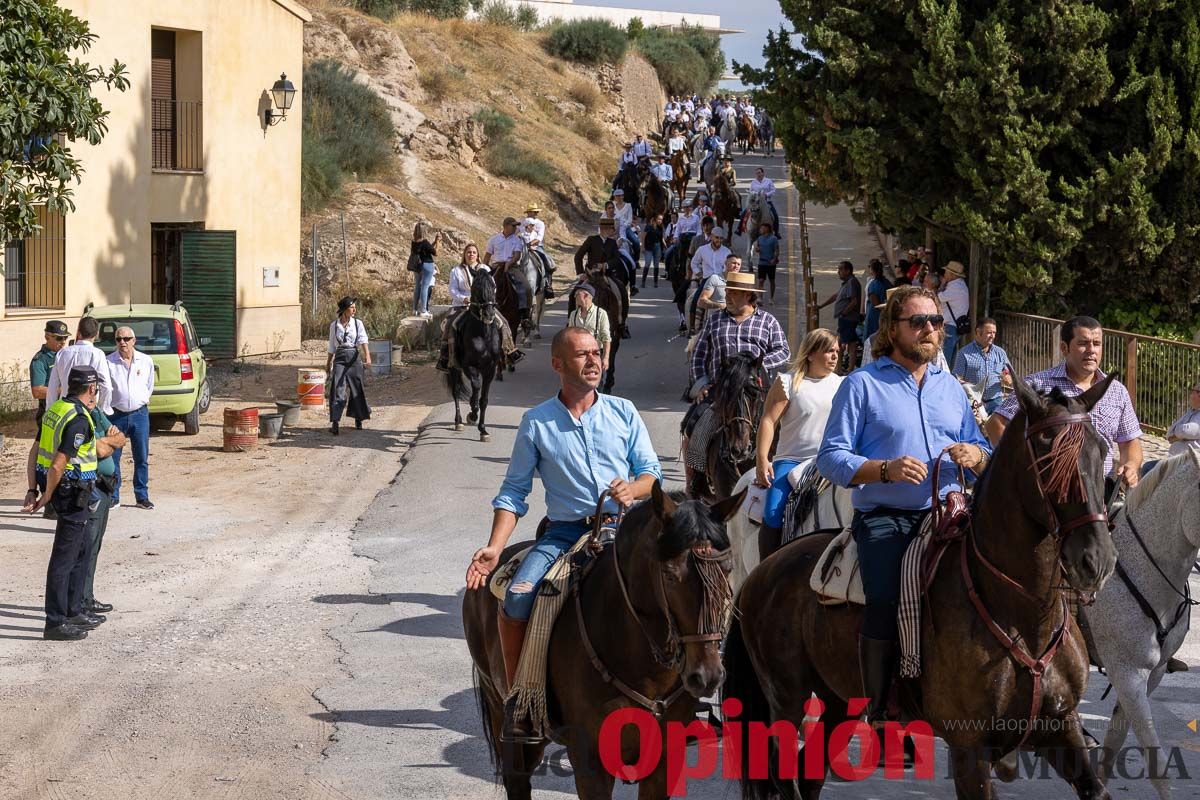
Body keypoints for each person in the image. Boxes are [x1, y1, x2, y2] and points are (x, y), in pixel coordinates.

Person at [464, 326, 662, 741]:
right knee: (518, 596)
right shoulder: (536, 423)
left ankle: (688, 696)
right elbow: (514, 493)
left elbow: (651, 474)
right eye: (582, 355)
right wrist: (495, 547)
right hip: (565, 534)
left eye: (596, 353)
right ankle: (521, 699)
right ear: (558, 364)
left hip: (626, 528)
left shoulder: (623, 411)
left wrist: (634, 488)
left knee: (686, 578)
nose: (594, 361)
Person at [817, 285, 992, 724]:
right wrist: (883, 469)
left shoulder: (950, 388)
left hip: (951, 512)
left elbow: (976, 444)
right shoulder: (862, 384)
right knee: (886, 598)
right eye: (919, 322)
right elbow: (831, 457)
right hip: (887, 518)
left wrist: (977, 456)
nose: (930, 330)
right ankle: (879, 707)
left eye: (936, 322)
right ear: (892, 329)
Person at [987, 315, 1143, 494]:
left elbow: (1130, 441)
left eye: (1097, 343)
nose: (1091, 350)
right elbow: (996, 424)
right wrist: (1022, 465)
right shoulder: (1037, 385)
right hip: (1049, 497)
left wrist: (1130, 465)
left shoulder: (1116, 391)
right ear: (1064, 347)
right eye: (1083, 343)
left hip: (1099, 496)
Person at [28, 366, 126, 641]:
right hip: (71, 493)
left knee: (77, 553)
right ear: (92, 388)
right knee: (65, 558)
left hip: (70, 492)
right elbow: (59, 463)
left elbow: (35, 451)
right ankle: (56, 622)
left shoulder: (56, 409)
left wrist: (32, 488)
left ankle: (73, 612)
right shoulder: (79, 419)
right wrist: (46, 494)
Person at [754, 328, 843, 559]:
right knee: (773, 511)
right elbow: (768, 420)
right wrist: (762, 459)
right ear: (811, 354)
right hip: (792, 461)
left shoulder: (842, 384)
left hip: (829, 459)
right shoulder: (789, 382)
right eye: (828, 351)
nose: (834, 356)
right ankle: (767, 569)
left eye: (836, 351)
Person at [689, 270, 790, 401]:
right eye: (727, 292)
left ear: (747, 295)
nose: (727, 297)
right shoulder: (714, 320)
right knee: (693, 420)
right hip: (719, 392)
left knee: (779, 419)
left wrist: (756, 364)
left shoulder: (767, 321)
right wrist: (702, 385)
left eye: (733, 293)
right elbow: (698, 356)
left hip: (755, 392)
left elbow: (783, 351)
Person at [437, 244, 525, 372]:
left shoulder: (484, 268)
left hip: (482, 305)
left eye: (473, 252)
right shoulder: (456, 271)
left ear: (477, 255)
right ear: (464, 255)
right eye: (468, 252)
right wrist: (464, 298)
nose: (471, 254)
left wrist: (486, 299)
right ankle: (445, 357)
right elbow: (452, 290)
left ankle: (510, 351)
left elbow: (492, 287)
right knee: (449, 325)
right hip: (462, 305)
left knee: (503, 322)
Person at [82, 403, 125, 617]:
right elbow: (99, 450)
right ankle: (80, 601)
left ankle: (87, 597)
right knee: (87, 547)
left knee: (95, 545)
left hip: (105, 487)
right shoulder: (80, 416)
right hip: (92, 488)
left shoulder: (96, 412)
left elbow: (121, 438)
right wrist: (109, 443)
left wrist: (107, 441)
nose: (95, 396)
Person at [22, 320, 70, 513]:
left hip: (66, 411)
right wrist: (63, 389)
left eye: (65, 339)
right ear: (47, 336)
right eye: (58, 338)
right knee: (40, 449)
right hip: (49, 413)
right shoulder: (40, 360)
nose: (62, 342)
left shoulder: (65, 355)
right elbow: (37, 390)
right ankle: (34, 490)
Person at [106, 326, 156, 509]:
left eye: (126, 339)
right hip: (116, 415)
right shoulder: (108, 362)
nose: (122, 342)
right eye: (118, 339)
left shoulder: (146, 361)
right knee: (113, 458)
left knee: (141, 457)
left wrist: (139, 400)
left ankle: (141, 496)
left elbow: (149, 385)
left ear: (134, 340)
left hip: (139, 414)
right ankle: (114, 495)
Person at [325, 296, 371, 435]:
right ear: (344, 310)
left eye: (354, 307)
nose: (354, 310)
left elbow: (363, 340)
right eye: (352, 307)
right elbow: (332, 345)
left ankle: (358, 418)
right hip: (340, 357)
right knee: (337, 388)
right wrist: (328, 363)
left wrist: (367, 356)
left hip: (354, 357)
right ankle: (335, 422)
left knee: (357, 388)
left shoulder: (358, 323)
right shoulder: (334, 325)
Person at [47, 316, 112, 414]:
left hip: (65, 408)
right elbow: (106, 386)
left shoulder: (62, 353)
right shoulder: (97, 354)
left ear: (78, 332)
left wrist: (50, 410)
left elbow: (53, 386)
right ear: (97, 334)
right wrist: (101, 409)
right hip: (88, 409)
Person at [952, 317, 1011, 415]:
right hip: (974, 403)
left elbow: (1007, 372)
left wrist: (1007, 377)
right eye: (989, 332)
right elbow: (956, 379)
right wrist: (972, 389)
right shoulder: (964, 353)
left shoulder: (1000, 353)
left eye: (994, 333)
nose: (992, 336)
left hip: (995, 401)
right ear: (978, 332)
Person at [818, 260, 863, 370]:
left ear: (847, 271)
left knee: (848, 344)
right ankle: (843, 368)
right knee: (845, 342)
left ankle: (843, 369)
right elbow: (836, 296)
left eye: (840, 269)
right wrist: (821, 306)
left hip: (848, 319)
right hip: (845, 319)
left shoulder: (852, 282)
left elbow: (854, 301)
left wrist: (844, 313)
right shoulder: (846, 283)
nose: (838, 272)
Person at [485, 216, 530, 318]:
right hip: (496, 266)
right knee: (483, 284)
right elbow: (487, 256)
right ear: (505, 226)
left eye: (516, 226)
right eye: (513, 226)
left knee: (525, 285)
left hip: (512, 267)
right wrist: (484, 268)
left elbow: (517, 255)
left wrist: (508, 264)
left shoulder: (517, 240)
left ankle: (525, 312)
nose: (515, 228)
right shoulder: (494, 239)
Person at [565, 283, 611, 377]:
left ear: (586, 296)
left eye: (577, 294)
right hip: (578, 355)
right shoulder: (573, 314)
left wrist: (605, 358)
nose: (574, 296)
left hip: (594, 354)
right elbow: (570, 336)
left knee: (595, 383)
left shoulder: (601, 313)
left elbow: (606, 338)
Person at [938, 260, 970, 365]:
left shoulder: (955, 287)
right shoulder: (959, 285)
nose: (945, 273)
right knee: (950, 361)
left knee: (944, 361)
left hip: (950, 327)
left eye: (946, 271)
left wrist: (942, 283)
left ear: (952, 274)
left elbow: (938, 297)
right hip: (954, 326)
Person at [522, 203, 555, 300]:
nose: (534, 213)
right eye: (532, 211)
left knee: (547, 260)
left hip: (536, 246)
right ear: (528, 212)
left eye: (535, 211)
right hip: (522, 246)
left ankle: (547, 284)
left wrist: (530, 244)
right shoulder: (522, 222)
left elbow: (539, 237)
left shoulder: (540, 223)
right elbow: (517, 233)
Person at [411, 222, 441, 318]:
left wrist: (434, 242)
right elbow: (435, 253)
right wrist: (438, 243)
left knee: (417, 287)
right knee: (425, 287)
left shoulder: (414, 242)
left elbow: (428, 249)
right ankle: (423, 310)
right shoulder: (424, 242)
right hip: (427, 265)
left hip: (417, 266)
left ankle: (414, 309)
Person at [1165, 379, 1200, 458]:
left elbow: (1185, 430)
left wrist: (1177, 435)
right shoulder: (1191, 411)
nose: (1190, 395)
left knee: (1148, 467)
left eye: (1192, 392)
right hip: (1176, 461)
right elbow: (1170, 433)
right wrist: (1180, 436)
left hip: (1189, 464)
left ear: (1199, 395)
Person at [751, 222, 780, 304]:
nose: (761, 230)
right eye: (761, 228)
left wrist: (774, 259)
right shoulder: (759, 238)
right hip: (762, 262)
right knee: (760, 280)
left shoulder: (774, 239)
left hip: (770, 263)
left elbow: (777, 250)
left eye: (762, 228)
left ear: (767, 229)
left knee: (772, 280)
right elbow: (757, 248)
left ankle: (771, 298)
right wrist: (757, 249)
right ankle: (760, 298)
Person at [748, 167, 779, 232]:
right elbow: (750, 191)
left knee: (775, 215)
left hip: (767, 202)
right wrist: (754, 194)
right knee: (744, 214)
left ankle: (776, 232)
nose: (758, 175)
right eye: (757, 173)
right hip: (756, 203)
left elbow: (773, 190)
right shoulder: (753, 182)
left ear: (763, 173)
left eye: (759, 173)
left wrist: (766, 194)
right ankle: (739, 229)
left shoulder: (768, 181)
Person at [864, 259, 888, 339]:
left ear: (872, 270)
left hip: (875, 313)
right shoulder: (886, 282)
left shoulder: (873, 284)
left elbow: (875, 302)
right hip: (885, 312)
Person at [641, 213, 665, 288]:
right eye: (659, 219)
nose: (660, 221)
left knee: (656, 264)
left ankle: (655, 282)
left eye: (661, 219)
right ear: (655, 219)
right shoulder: (649, 226)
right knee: (647, 263)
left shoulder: (660, 227)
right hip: (649, 246)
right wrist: (643, 246)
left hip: (657, 246)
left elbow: (661, 238)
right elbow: (643, 236)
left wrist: (664, 245)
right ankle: (643, 282)